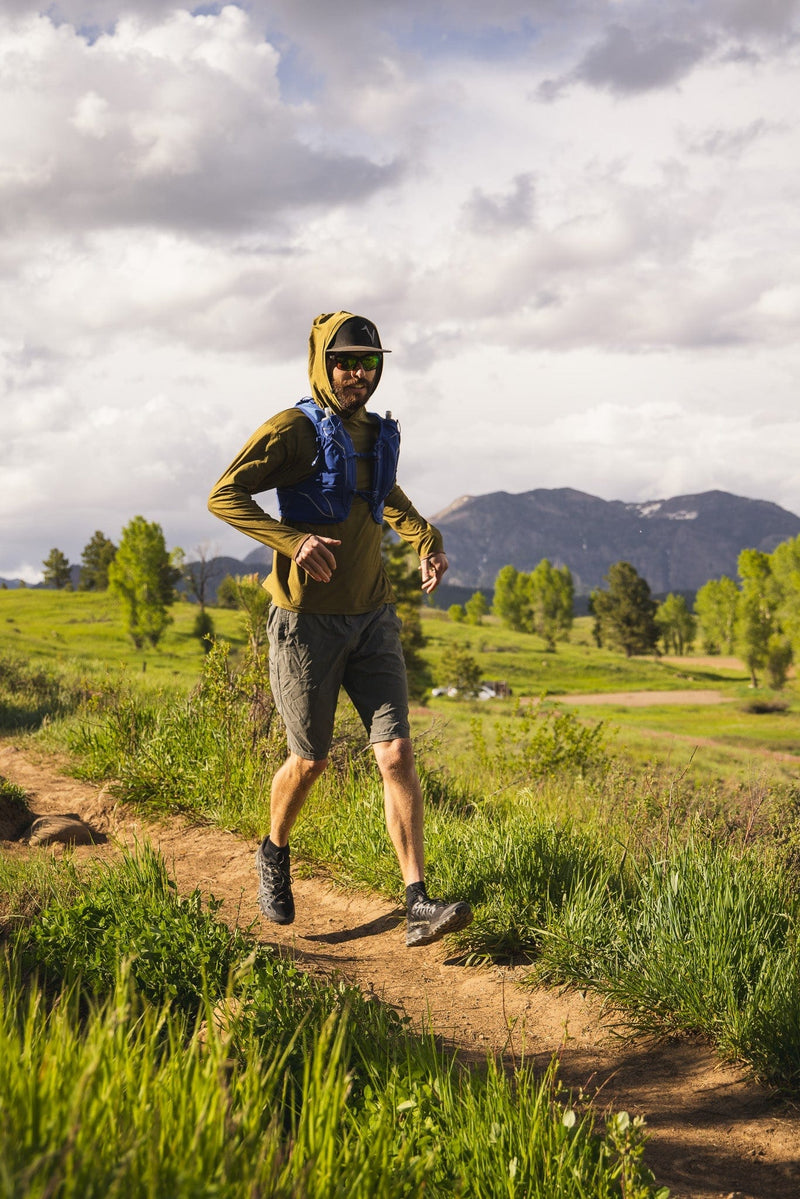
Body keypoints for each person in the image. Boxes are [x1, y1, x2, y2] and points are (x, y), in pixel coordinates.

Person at [208, 311, 473, 947]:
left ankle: (417, 902)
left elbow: (388, 498)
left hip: (373, 617)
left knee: (397, 752)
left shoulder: (373, 433)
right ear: (322, 362)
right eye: (345, 361)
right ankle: (273, 851)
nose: (357, 374)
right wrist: (292, 540)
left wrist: (426, 538)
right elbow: (224, 495)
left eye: (368, 363)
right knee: (311, 759)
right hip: (307, 626)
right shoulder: (293, 431)